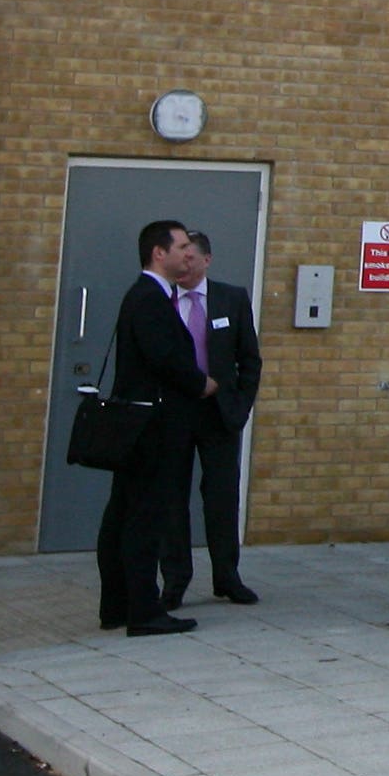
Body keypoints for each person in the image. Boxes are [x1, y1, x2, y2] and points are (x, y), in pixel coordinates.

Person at [96, 220, 210, 637]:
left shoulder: (149, 296)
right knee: (142, 518)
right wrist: (201, 382)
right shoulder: (149, 297)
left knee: (125, 514)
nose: (188, 252)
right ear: (159, 253)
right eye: (181, 246)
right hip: (152, 427)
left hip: (145, 424)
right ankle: (142, 609)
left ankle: (119, 605)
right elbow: (163, 356)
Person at [158, 231, 263, 609]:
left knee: (221, 495)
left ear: (206, 260)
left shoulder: (230, 299)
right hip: (174, 412)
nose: (183, 266)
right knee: (172, 497)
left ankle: (227, 576)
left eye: (191, 259)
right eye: (179, 258)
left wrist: (240, 406)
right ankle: (175, 579)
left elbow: (249, 359)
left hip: (219, 412)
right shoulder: (162, 298)